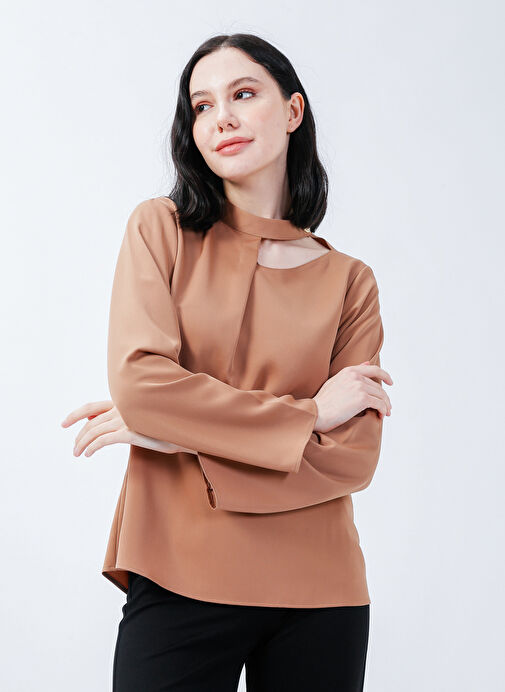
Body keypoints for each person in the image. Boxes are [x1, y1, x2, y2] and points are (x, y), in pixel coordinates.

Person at [61, 32, 393, 692]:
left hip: (320, 589)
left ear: (292, 110)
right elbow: (143, 386)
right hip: (177, 570)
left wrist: (179, 434)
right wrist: (310, 414)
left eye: (243, 94)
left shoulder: (350, 281)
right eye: (202, 105)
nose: (222, 118)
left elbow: (353, 458)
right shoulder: (160, 229)